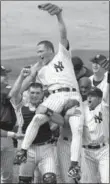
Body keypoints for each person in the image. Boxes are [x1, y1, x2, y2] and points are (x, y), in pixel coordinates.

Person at [14, 3, 84, 181]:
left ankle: (74, 166)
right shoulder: (41, 70)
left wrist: (59, 15)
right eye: (37, 52)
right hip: (55, 96)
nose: (39, 54)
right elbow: (21, 92)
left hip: (73, 94)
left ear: (50, 49)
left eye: (41, 51)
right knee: (38, 118)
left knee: (77, 128)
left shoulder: (62, 55)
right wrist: (31, 73)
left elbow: (63, 33)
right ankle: (22, 151)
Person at [12, 68, 64, 184]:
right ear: (28, 93)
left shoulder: (47, 106)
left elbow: (61, 121)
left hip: (46, 149)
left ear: (42, 94)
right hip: (27, 150)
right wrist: (21, 77)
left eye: (37, 93)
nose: (34, 96)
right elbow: (15, 94)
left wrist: (48, 113)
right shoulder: (21, 105)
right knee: (24, 181)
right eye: (32, 93)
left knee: (50, 180)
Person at [0, 66, 24, 183]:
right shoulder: (4, 88)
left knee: (7, 174)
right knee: (6, 175)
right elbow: (13, 93)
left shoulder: (4, 89)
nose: (7, 77)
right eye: (4, 74)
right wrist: (22, 77)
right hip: (5, 134)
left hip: (7, 136)